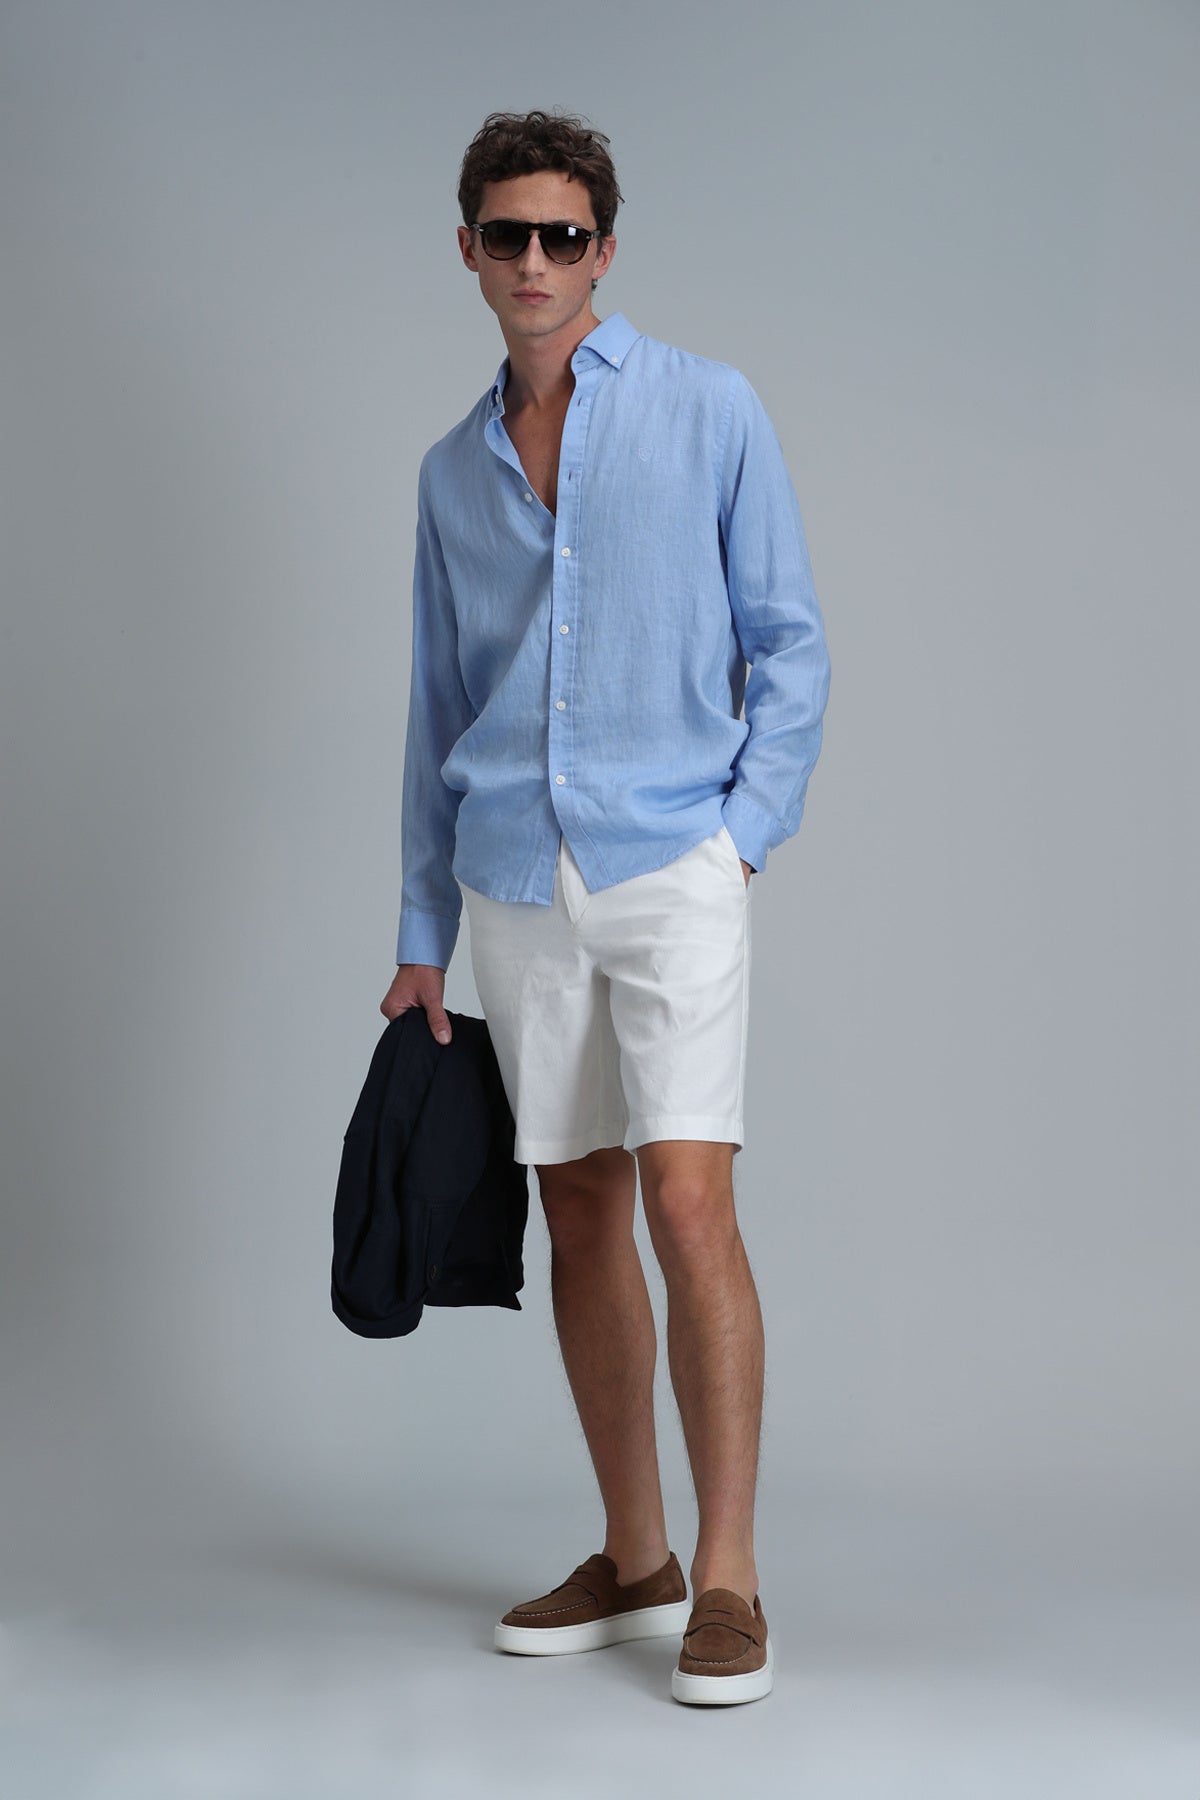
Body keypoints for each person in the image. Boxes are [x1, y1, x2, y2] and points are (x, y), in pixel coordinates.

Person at [380, 109, 831, 1706]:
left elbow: (790, 640)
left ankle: (730, 1577)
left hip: (670, 865)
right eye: (507, 233)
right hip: (513, 877)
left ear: (605, 251)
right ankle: (635, 1558)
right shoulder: (451, 472)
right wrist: (420, 935)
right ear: (468, 250)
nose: (535, 261)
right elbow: (438, 710)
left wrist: (739, 840)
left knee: (688, 1205)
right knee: (577, 1209)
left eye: (562, 235)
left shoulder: (709, 408)